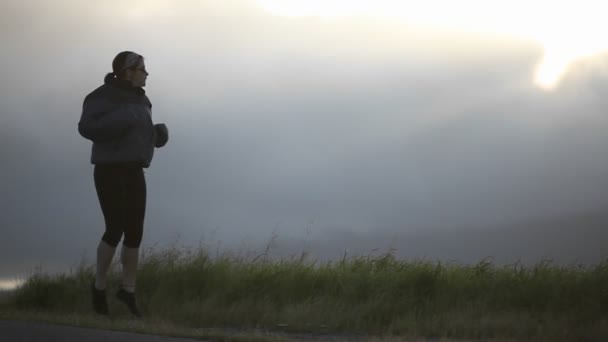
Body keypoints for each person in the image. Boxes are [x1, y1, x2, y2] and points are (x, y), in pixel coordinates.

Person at [78, 51, 168, 317]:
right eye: (142, 69)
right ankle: (99, 286)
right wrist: (124, 119)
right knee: (114, 229)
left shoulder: (144, 100)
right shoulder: (100, 96)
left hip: (135, 170)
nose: (146, 73)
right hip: (109, 170)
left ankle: (127, 291)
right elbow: (86, 128)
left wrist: (156, 135)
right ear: (128, 71)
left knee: (135, 232)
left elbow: (135, 132)